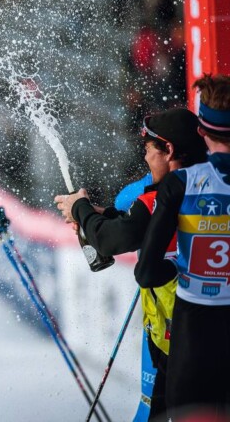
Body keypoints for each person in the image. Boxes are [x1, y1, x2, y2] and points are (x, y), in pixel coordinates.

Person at [54, 108, 207, 421]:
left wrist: (82, 209)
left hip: (178, 338)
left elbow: (114, 239)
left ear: (170, 151)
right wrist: (96, 215)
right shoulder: (209, 185)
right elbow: (133, 225)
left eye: (150, 150)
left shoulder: (163, 196)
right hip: (203, 332)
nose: (147, 158)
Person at [135, 75, 230, 419]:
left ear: (203, 132)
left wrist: (177, 265)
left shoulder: (182, 183)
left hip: (195, 332)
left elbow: (146, 272)